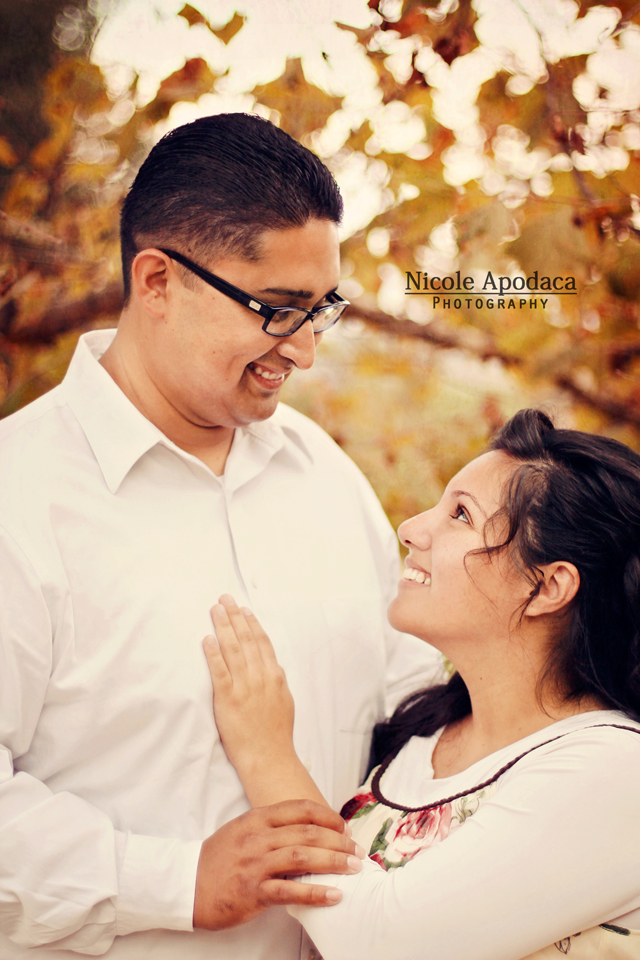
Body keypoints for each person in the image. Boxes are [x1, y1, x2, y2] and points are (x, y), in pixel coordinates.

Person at [0, 113, 440, 959]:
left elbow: (409, 708)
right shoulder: (17, 497)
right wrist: (175, 881)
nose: (305, 351)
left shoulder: (326, 475)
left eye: (322, 310)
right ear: (157, 281)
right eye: (277, 310)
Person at [204, 408, 640, 960]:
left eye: (460, 514)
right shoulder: (422, 735)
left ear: (547, 586)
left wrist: (266, 752)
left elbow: (382, 942)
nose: (410, 528)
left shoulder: (614, 768)